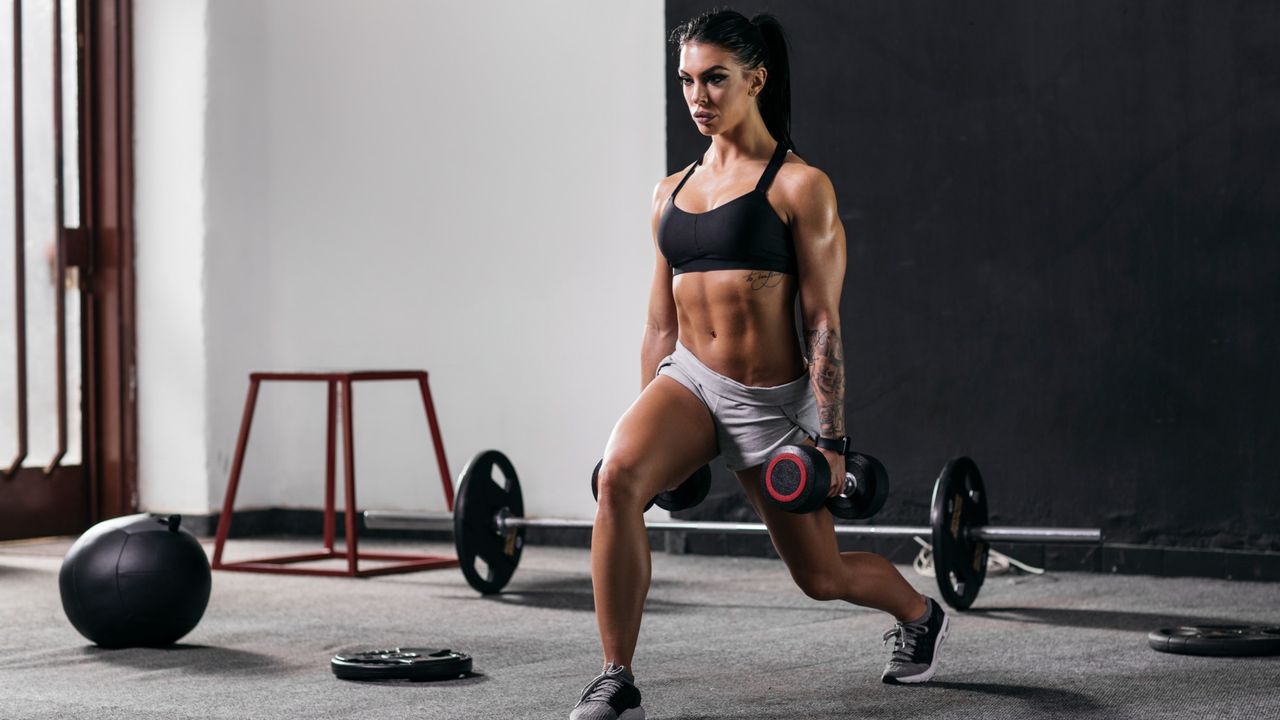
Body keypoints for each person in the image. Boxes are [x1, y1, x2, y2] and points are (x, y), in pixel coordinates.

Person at [570, 10, 948, 720]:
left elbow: (824, 322)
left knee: (822, 577)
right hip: (689, 382)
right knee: (619, 475)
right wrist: (656, 432)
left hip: (774, 404)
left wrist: (830, 442)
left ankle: (919, 614)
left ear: (756, 80)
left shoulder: (799, 187)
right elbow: (660, 321)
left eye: (715, 79)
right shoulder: (670, 192)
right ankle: (615, 677)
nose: (698, 97)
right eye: (686, 81)